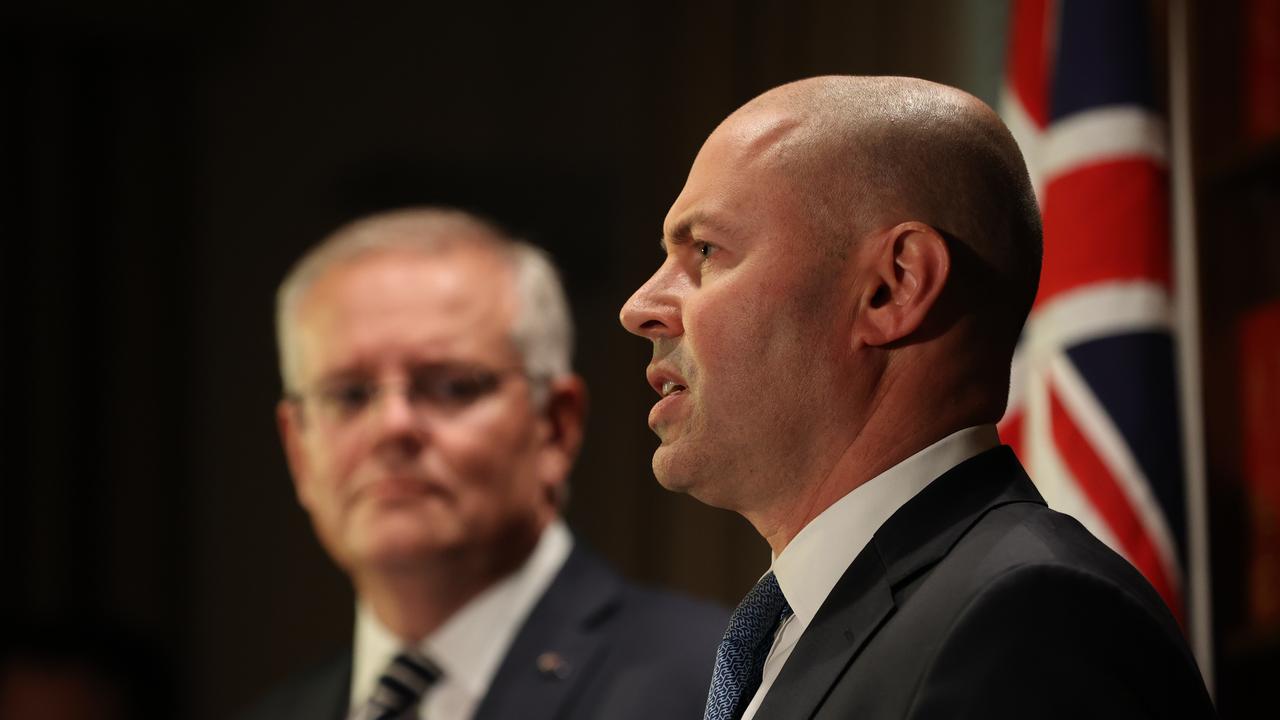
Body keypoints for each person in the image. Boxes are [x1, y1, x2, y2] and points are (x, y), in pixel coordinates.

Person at [620, 76, 1215, 719]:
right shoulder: (799, 633)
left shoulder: (1027, 622)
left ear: (893, 287)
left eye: (705, 250)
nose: (639, 308)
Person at [242, 207, 725, 720]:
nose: (393, 427)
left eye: (452, 386)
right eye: (350, 394)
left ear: (556, 425)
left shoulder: (715, 687)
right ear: (298, 448)